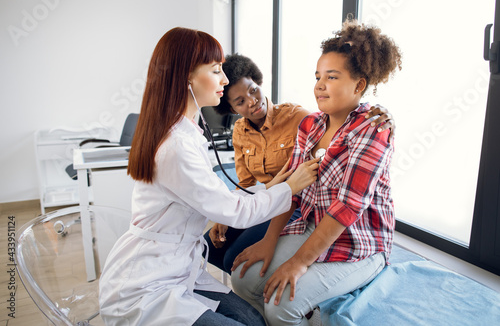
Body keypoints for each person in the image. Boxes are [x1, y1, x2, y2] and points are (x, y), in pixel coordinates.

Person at [98, 27, 320, 326]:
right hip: (148, 282)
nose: (225, 80)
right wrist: (288, 186)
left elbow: (226, 196)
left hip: (176, 264)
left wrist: (278, 185)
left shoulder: (185, 131)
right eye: (216, 71)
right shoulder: (176, 145)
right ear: (186, 77)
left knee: (253, 320)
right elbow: (235, 206)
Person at [230, 19, 402, 326]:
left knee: (281, 307)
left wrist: (298, 263)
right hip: (313, 226)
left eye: (332, 77)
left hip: (361, 243)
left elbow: (347, 208)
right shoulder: (311, 125)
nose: (320, 85)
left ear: (359, 85)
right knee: (243, 281)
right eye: (318, 76)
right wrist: (269, 240)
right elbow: (292, 189)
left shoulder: (373, 130)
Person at [203, 53, 396, 275]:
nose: (252, 101)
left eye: (253, 90)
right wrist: (226, 216)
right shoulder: (239, 132)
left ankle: (251, 297)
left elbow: (337, 123)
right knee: (210, 248)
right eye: (240, 102)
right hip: (267, 200)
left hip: (291, 203)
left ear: (258, 83)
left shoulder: (298, 117)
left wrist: (384, 114)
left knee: (233, 258)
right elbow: (245, 183)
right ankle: (248, 295)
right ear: (232, 109)